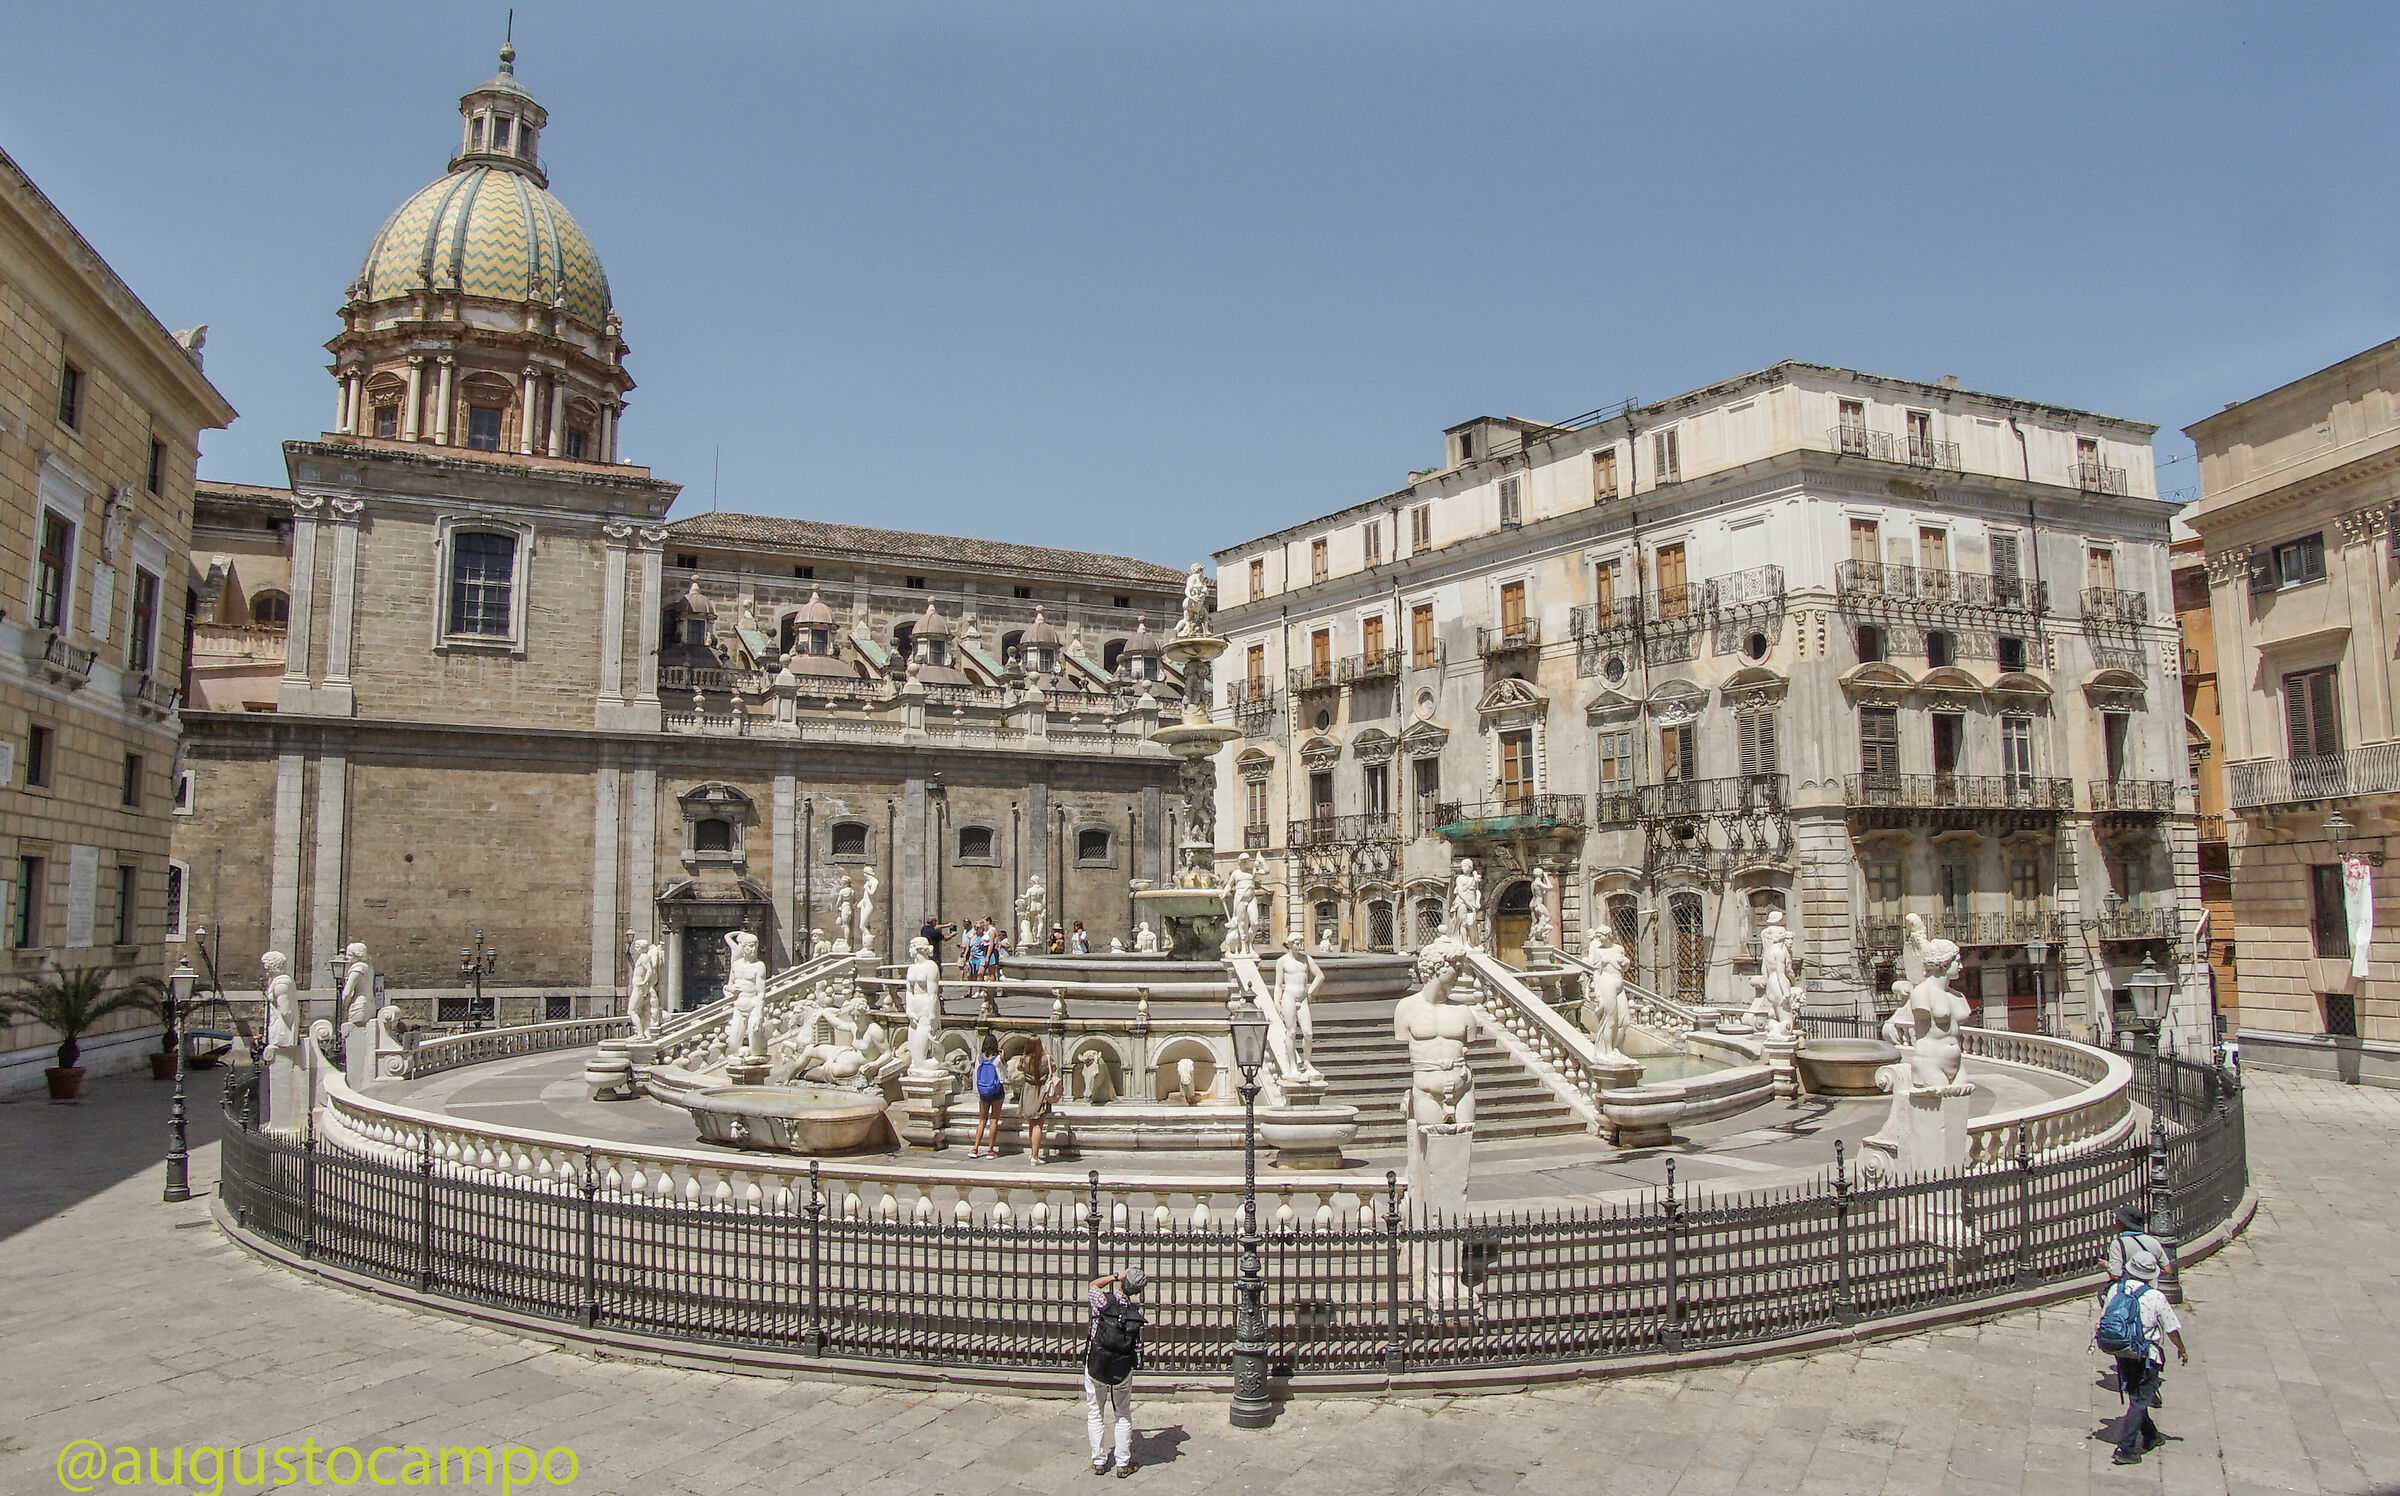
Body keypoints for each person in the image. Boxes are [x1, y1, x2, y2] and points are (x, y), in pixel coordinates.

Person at [2100, 1244, 2186, 1466]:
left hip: (2122, 1351)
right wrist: (2182, 1349)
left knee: (2137, 1396)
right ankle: (2126, 1449)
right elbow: (2171, 1329)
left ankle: (2151, 1436)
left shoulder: (2116, 1290)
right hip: (2146, 1354)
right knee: (2140, 1400)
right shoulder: (2155, 1296)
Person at [1084, 1268, 1148, 1476]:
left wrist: (1115, 1276)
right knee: (1122, 1413)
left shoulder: (1103, 1302)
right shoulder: (1137, 1314)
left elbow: (1093, 1286)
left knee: (1095, 1411)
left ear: (1123, 1282)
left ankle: (1098, 1460)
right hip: (1121, 1367)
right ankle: (1123, 1462)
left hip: (1097, 1362)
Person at [1009, 1035, 1056, 1162]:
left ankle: (1032, 1152)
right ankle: (1035, 1156)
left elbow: (1019, 1068)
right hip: (1041, 1091)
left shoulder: (1024, 1059)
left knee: (1031, 1124)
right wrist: (1045, 1053)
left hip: (1028, 1091)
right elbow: (1054, 1069)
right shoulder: (1046, 1058)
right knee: (1038, 1125)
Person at [969, 1034, 1007, 1158]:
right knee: (994, 1120)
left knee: (982, 1120)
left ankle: (975, 1148)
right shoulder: (997, 1059)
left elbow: (976, 1074)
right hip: (996, 1091)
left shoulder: (979, 1058)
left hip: (983, 1092)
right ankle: (990, 1150)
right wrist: (1003, 1060)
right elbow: (1004, 1075)